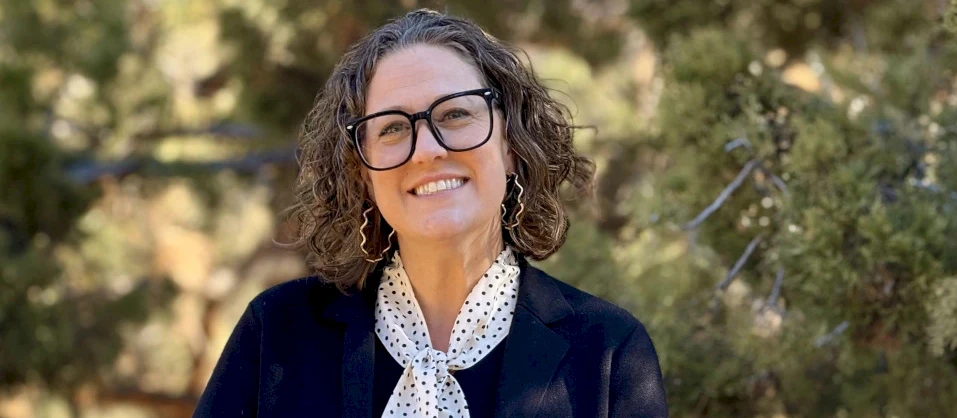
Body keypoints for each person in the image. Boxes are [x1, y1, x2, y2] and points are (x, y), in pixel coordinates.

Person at [193, 8, 667, 418]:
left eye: (455, 115)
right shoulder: (276, 335)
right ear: (362, 172)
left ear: (511, 146)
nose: (426, 151)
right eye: (393, 128)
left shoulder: (608, 353)